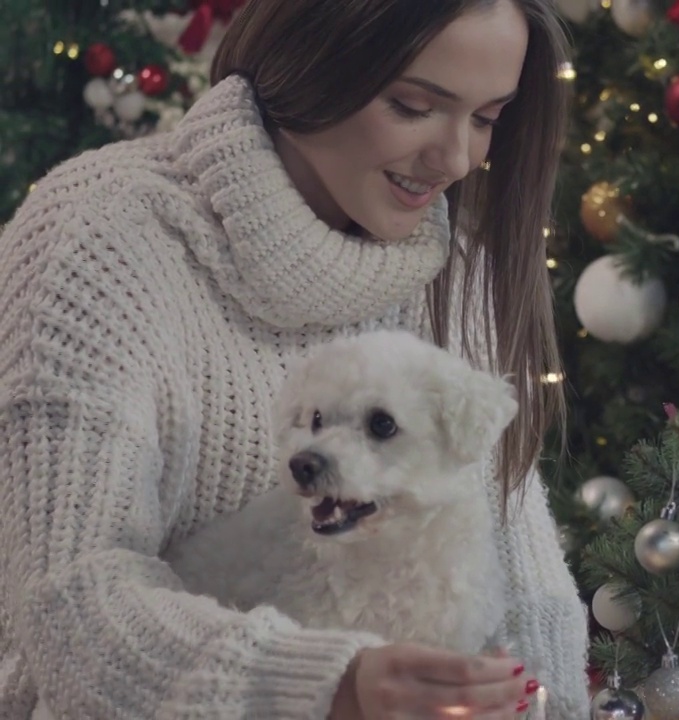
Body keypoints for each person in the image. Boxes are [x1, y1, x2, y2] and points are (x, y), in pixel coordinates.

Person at [0, 0, 589, 717]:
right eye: (412, 106)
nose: (458, 159)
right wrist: (323, 685)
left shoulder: (457, 276)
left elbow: (525, 581)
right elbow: (69, 605)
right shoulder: (99, 234)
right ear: (311, 65)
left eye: (487, 117)